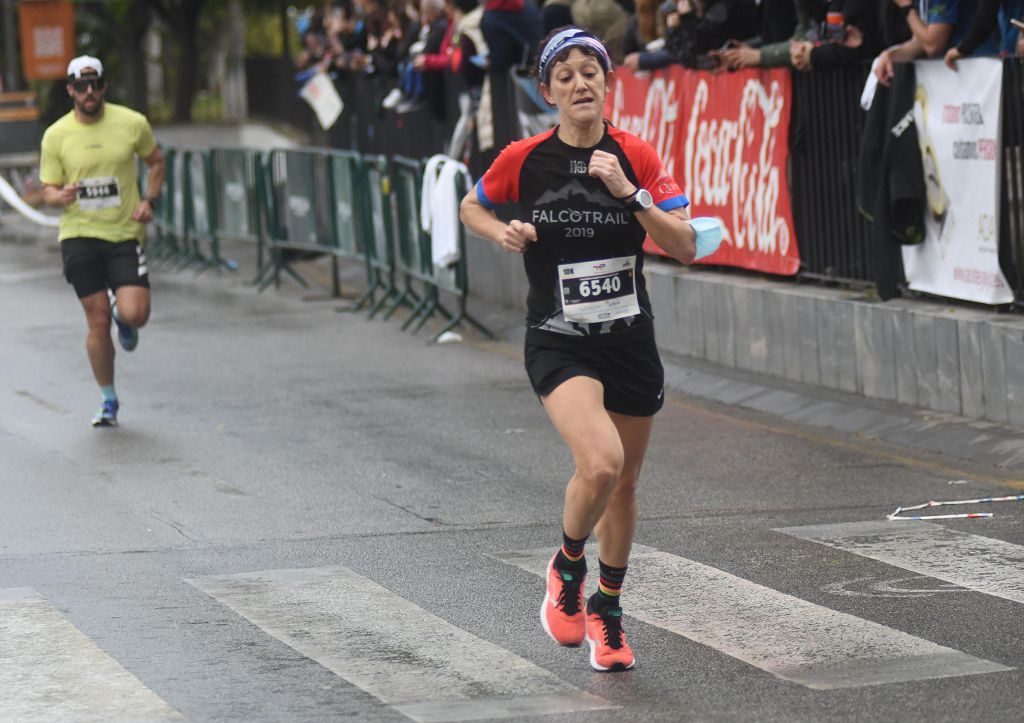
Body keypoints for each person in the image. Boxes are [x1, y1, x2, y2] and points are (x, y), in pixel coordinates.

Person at [460, 27, 697, 672]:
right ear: (548, 92)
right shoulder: (526, 157)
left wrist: (630, 193)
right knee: (601, 465)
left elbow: (685, 244)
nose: (579, 82)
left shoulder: (636, 155)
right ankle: (566, 567)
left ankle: (608, 611)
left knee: (624, 488)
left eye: (589, 70)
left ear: (608, 82)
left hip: (630, 340)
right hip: (560, 340)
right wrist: (502, 230)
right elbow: (470, 206)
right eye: (563, 74)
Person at [39, 56, 165, 427]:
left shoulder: (131, 123)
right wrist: (57, 197)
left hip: (124, 232)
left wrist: (149, 200)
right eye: (81, 85)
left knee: (135, 313)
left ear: (105, 87)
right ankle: (108, 400)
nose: (89, 92)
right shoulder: (56, 135)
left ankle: (121, 316)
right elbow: (47, 188)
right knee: (95, 322)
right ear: (70, 90)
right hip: (79, 235)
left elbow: (156, 162)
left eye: (95, 84)